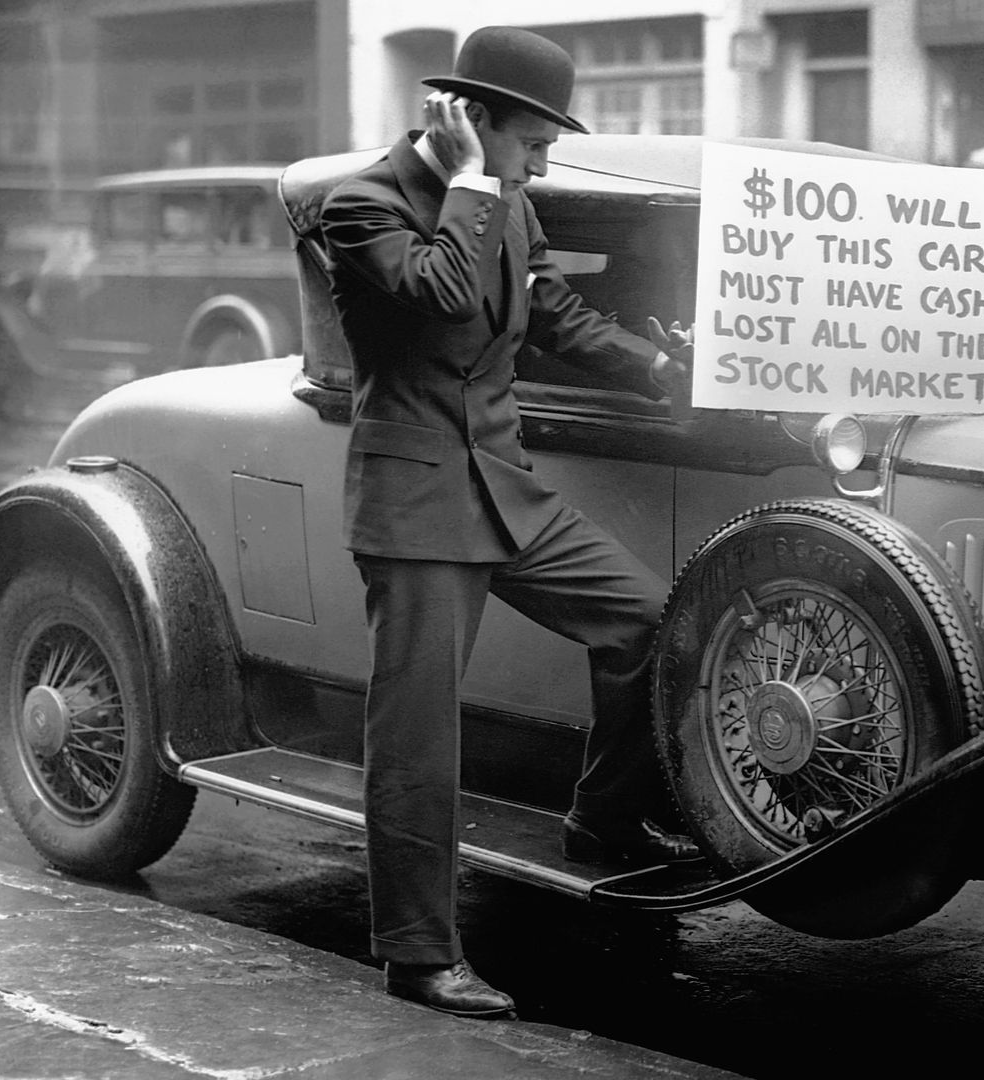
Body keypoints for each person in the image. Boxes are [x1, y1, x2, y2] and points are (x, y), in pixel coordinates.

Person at [318, 25, 698, 1020]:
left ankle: (603, 821)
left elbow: (550, 310)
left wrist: (657, 365)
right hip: (416, 506)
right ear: (473, 121)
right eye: (533, 140)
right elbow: (441, 290)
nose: (544, 160)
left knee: (648, 622)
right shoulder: (359, 206)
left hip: (504, 488)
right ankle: (418, 954)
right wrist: (474, 186)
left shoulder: (510, 204)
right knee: (418, 741)